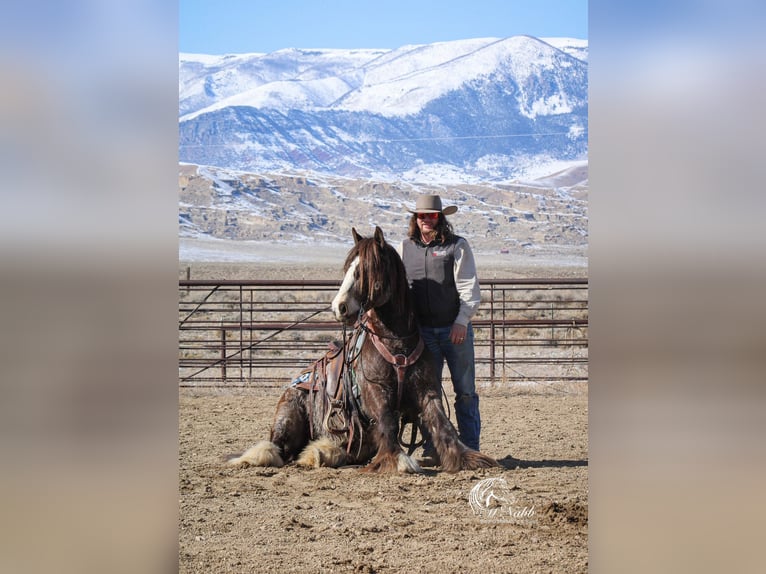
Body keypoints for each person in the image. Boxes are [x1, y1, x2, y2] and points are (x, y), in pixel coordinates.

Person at [398, 194, 482, 462]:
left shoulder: (457, 246)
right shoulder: (405, 247)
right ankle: (433, 447)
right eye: (421, 215)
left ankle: (469, 447)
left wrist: (461, 321)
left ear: (440, 217)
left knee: (465, 391)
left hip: (453, 330)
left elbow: (468, 286)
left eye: (431, 215)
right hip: (423, 334)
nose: (426, 219)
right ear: (415, 218)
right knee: (427, 393)